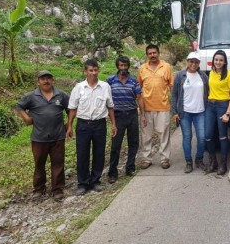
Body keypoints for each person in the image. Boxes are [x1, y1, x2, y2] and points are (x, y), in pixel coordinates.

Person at [15, 70, 70, 201]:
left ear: (53, 80)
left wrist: (69, 124)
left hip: (58, 136)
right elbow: (18, 107)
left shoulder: (61, 95)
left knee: (58, 163)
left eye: (49, 78)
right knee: (39, 164)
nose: (46, 81)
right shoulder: (31, 96)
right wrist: (26, 119)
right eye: (43, 79)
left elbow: (71, 109)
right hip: (39, 138)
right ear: (38, 82)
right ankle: (39, 189)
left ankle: (57, 189)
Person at [66, 59, 117, 195]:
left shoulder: (105, 86)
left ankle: (95, 181)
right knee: (82, 154)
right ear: (85, 71)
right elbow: (72, 108)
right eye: (90, 70)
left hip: (100, 124)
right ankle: (82, 183)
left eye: (95, 70)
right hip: (83, 125)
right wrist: (69, 126)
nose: (93, 73)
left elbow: (110, 107)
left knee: (99, 153)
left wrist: (114, 124)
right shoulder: (79, 88)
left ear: (98, 70)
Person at [106, 56, 147, 184]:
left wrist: (143, 114)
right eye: (121, 65)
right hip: (117, 116)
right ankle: (112, 172)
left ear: (128, 66)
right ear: (117, 66)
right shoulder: (110, 81)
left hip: (132, 115)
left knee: (133, 143)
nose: (123, 68)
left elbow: (139, 98)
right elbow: (106, 98)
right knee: (115, 145)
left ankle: (130, 167)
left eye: (125, 65)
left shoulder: (134, 82)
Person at [138, 44, 174, 169]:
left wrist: (173, 105)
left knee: (164, 134)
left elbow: (171, 86)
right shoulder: (142, 68)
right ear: (147, 55)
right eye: (150, 53)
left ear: (159, 53)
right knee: (146, 135)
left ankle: (164, 159)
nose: (152, 55)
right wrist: (140, 110)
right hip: (146, 108)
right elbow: (139, 88)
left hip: (163, 107)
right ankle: (146, 159)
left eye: (154, 53)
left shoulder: (166, 67)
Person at [171, 52, 209, 173]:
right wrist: (175, 112)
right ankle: (188, 161)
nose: (193, 64)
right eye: (191, 61)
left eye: (196, 62)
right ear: (187, 62)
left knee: (202, 138)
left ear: (199, 63)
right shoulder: (180, 76)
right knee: (187, 137)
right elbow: (174, 95)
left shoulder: (203, 76)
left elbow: (208, 93)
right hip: (185, 112)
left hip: (200, 112)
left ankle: (199, 159)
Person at [204, 50, 230, 175]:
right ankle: (213, 162)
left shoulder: (229, 75)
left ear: (225, 62)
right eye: (216, 59)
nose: (218, 62)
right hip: (210, 106)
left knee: (222, 136)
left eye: (221, 60)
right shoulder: (211, 73)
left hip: (223, 105)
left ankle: (223, 164)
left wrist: (228, 113)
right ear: (213, 61)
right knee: (208, 136)